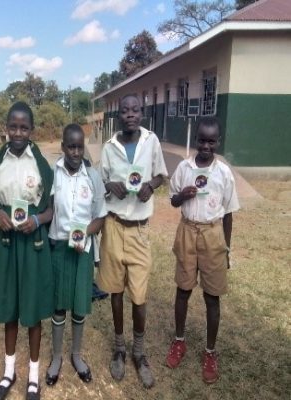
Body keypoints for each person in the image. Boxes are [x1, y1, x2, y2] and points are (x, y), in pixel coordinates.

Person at [97, 94, 168, 389]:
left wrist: (151, 186)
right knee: (115, 291)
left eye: (135, 110)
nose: (130, 114)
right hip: (113, 227)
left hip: (139, 229)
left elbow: (162, 174)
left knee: (139, 297)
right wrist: (108, 184)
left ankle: (139, 353)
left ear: (142, 113)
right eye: (124, 110)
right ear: (118, 115)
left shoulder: (151, 141)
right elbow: (98, 182)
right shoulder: (109, 148)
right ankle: (119, 348)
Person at [165, 116, 239, 384]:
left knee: (212, 296)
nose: (206, 146)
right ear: (195, 139)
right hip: (187, 230)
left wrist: (226, 249)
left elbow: (229, 214)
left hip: (212, 234)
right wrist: (182, 195)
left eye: (211, 141)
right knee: (183, 290)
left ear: (218, 142)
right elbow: (173, 200)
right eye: (202, 140)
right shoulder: (184, 167)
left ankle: (210, 352)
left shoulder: (224, 173)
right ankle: (179, 340)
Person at [0, 101, 54, 400]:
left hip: (33, 242)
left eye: (23, 127)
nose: (17, 132)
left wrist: (38, 219)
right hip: (7, 244)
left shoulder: (39, 163)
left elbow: (52, 208)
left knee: (33, 308)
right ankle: (8, 371)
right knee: (11, 308)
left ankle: (32, 376)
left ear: (31, 130)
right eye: (13, 126)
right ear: (6, 128)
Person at [45, 124, 107, 387]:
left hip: (82, 251)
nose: (75, 151)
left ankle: (77, 355)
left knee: (80, 305)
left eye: (80, 146)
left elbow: (100, 216)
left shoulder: (92, 176)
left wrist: (84, 233)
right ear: (62, 147)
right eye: (71, 146)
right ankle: (57, 357)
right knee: (59, 305)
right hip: (59, 247)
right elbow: (48, 210)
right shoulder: (53, 175)